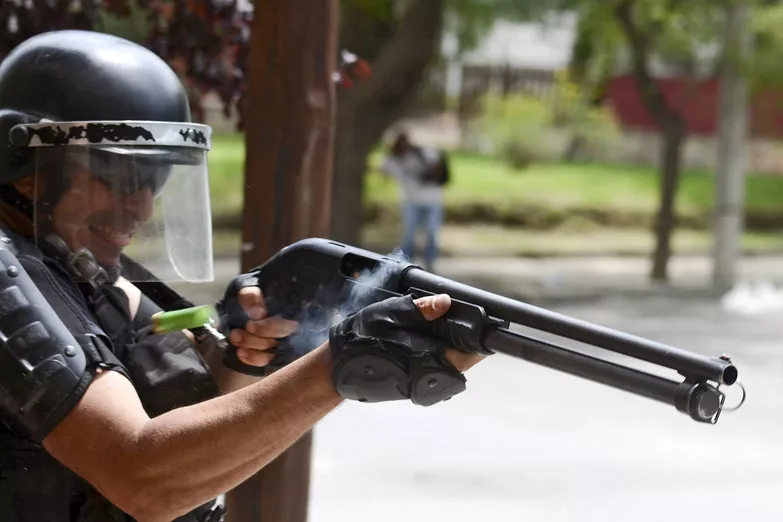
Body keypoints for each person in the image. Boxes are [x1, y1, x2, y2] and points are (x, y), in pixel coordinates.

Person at [0, 30, 486, 522]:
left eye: (155, 179)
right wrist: (339, 366)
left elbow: (192, 440)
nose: (143, 208)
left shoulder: (86, 269)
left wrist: (243, 352)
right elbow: (140, 476)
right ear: (22, 165)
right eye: (120, 176)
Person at [380, 131, 449, 272]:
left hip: (432, 199)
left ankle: (430, 263)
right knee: (409, 234)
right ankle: (406, 264)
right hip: (410, 201)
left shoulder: (423, 153)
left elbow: (439, 167)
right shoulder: (395, 160)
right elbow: (383, 168)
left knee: (431, 232)